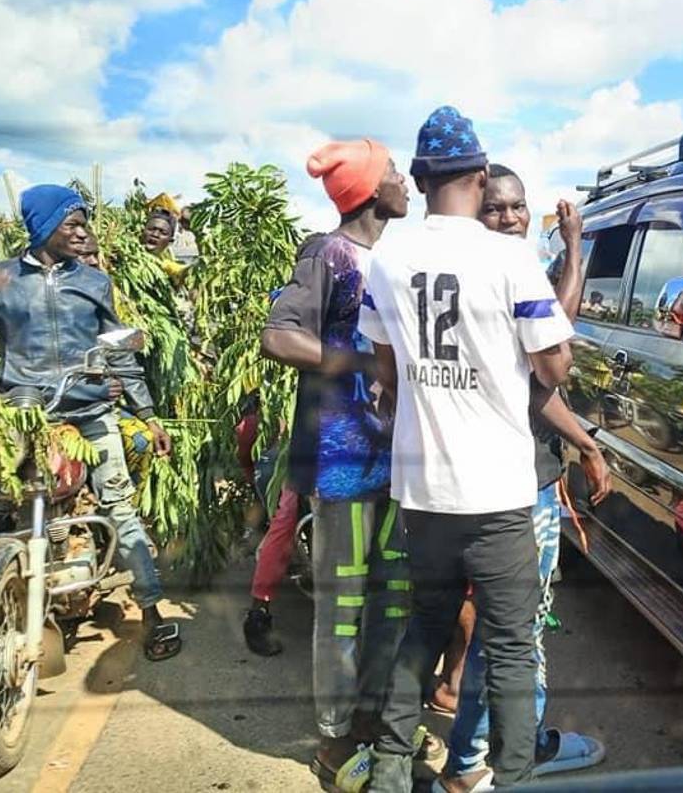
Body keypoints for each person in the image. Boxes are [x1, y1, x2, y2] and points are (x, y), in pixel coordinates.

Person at [360, 106, 575, 792]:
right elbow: (554, 369)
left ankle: (392, 768)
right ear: (481, 178)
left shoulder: (387, 257)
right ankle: (510, 781)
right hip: (501, 497)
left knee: (421, 630)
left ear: (421, 179)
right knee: (510, 650)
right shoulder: (510, 257)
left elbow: (384, 370)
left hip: (423, 494)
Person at [0, 184, 180, 671]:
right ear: (43, 227)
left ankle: (152, 611)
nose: (83, 234)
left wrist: (147, 413)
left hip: (88, 411)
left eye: (84, 224)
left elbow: (118, 352)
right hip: (21, 414)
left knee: (119, 508)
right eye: (72, 224)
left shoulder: (94, 283)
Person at [252, 139, 429, 791]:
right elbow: (279, 335)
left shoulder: (395, 258)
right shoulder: (328, 254)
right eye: (393, 173)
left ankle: (371, 720)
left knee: (392, 603)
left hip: (399, 463)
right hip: (346, 462)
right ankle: (332, 740)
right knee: (343, 607)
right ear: (368, 190)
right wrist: (360, 363)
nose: (404, 181)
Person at [435, 165, 610, 792]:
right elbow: (549, 368)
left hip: (494, 480)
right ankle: (497, 756)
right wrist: (577, 251)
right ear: (475, 211)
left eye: (516, 208)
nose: (508, 218)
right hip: (511, 487)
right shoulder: (498, 276)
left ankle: (483, 748)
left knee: (503, 626)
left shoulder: (475, 273)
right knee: (518, 630)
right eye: (495, 209)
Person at [141, 208, 188, 284]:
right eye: (151, 229)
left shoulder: (167, 266)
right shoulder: (123, 258)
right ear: (141, 231)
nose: (155, 234)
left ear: (170, 241)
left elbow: (189, 273)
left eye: (163, 233)